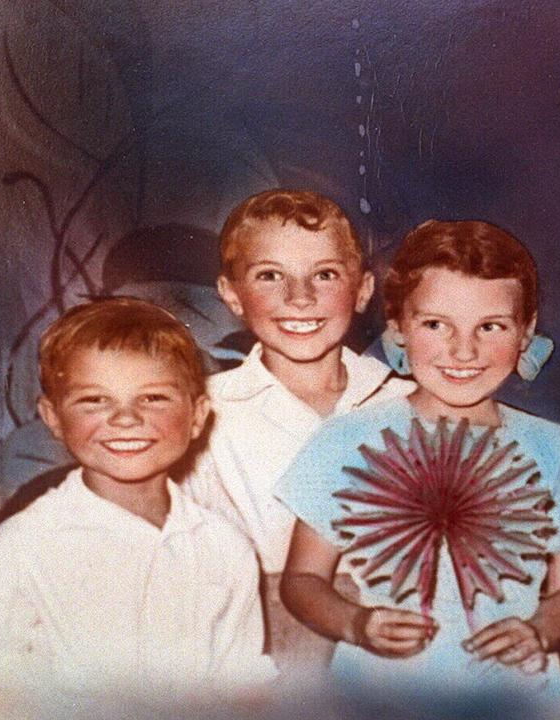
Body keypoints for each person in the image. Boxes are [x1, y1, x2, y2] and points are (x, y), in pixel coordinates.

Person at [274, 220, 560, 707]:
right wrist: (356, 623)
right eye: (435, 325)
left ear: (526, 331)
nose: (463, 351)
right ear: (399, 328)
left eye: (490, 327)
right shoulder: (347, 441)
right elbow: (301, 581)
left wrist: (539, 630)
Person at [0, 298, 275, 717]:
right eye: (94, 401)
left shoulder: (225, 547)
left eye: (153, 398)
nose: (125, 418)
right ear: (53, 417)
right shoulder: (21, 548)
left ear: (197, 416)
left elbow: (244, 694)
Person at [184, 189, 414, 677]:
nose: (300, 297)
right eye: (270, 276)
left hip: (403, 661)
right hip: (261, 660)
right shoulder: (201, 414)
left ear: (364, 289)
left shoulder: (411, 404)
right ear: (230, 293)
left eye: (325, 274)